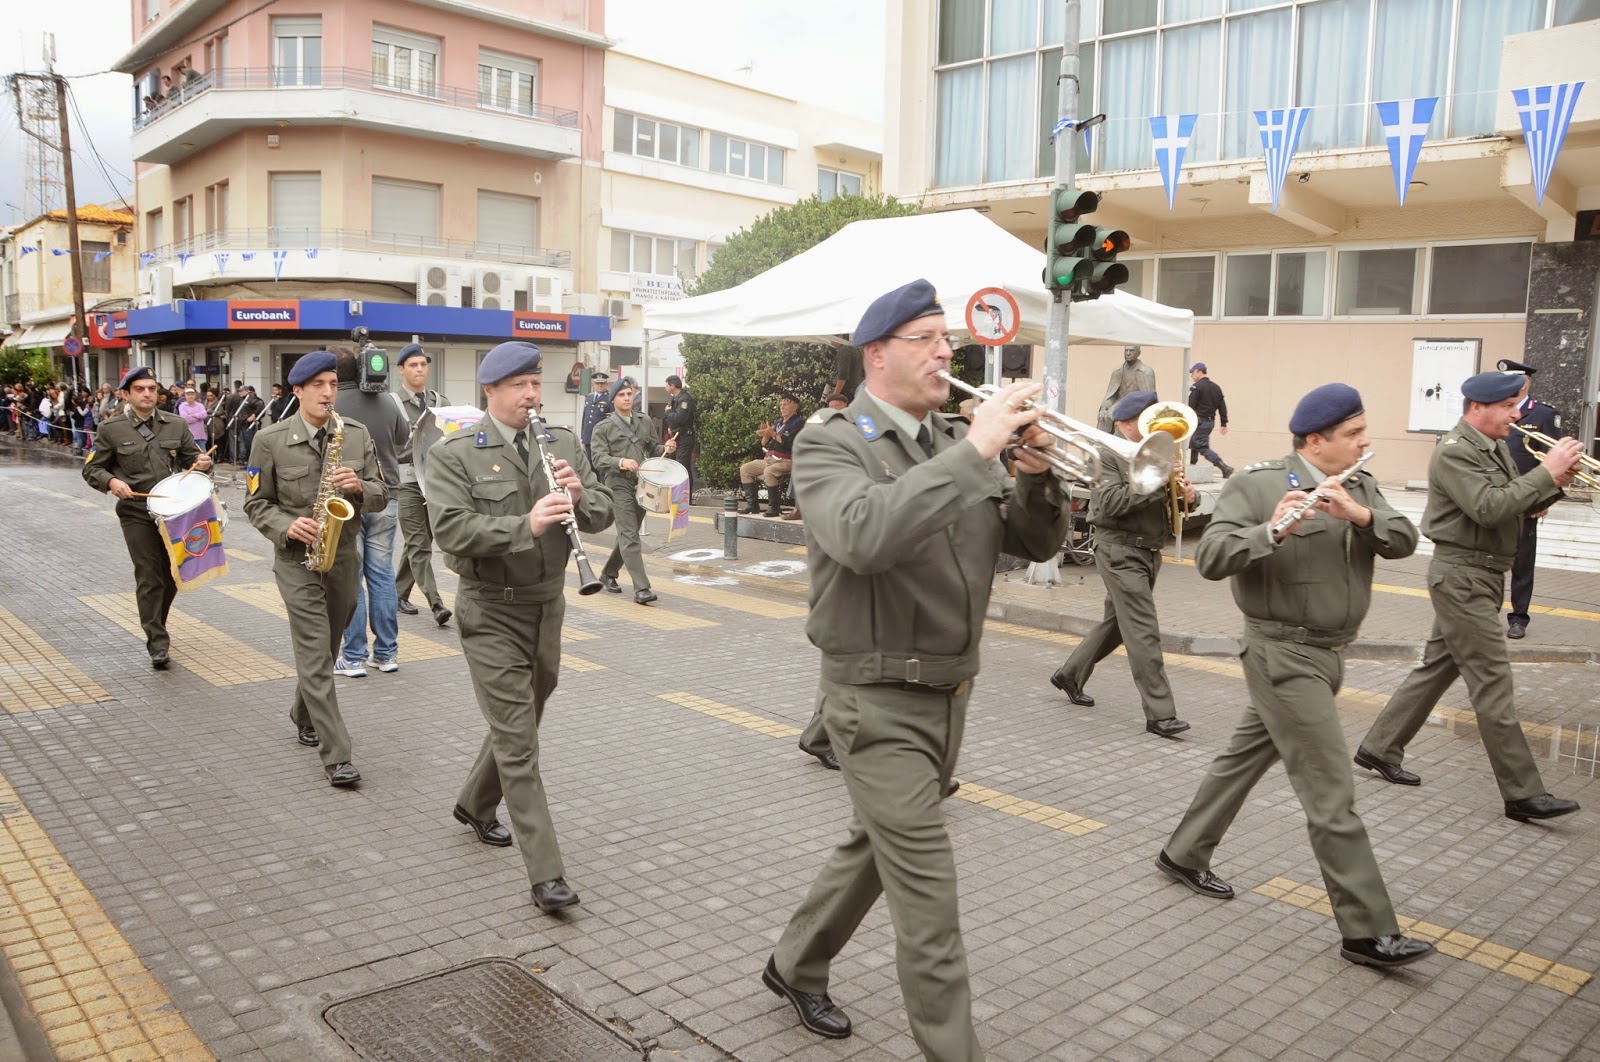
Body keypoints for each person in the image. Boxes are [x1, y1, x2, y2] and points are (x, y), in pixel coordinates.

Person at [763, 279, 1070, 1060]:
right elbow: (863, 535)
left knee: (877, 844)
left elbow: (1030, 545)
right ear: (877, 355)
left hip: (950, 693)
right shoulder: (833, 440)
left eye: (948, 340)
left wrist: (1033, 471)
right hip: (873, 697)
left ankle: (794, 962)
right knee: (930, 904)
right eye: (928, 339)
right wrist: (979, 450)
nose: (947, 352)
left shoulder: (947, 444)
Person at [1158, 382, 1437, 971]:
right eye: (1354, 435)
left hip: (1330, 655)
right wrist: (1273, 531)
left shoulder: (1357, 483)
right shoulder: (1257, 484)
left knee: (1241, 760)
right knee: (1332, 795)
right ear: (1317, 440)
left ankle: (1183, 853)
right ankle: (1366, 930)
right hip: (1282, 657)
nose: (1367, 442)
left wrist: (1358, 514)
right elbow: (1210, 558)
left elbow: (1405, 541)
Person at [427, 341, 613, 913]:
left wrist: (581, 497)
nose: (531, 394)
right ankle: (546, 875)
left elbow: (605, 511)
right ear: (490, 391)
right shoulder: (454, 452)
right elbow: (452, 532)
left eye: (536, 382)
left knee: (525, 715)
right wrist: (524, 524)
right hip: (489, 609)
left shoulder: (560, 442)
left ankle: (475, 804)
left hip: (547, 604)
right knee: (518, 738)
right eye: (518, 385)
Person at [1355, 370, 1583, 822]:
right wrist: (1546, 472)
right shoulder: (1455, 451)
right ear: (1478, 408)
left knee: (1438, 668)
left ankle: (1379, 748)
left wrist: (1555, 483)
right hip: (1463, 578)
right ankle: (1522, 793)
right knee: (1493, 684)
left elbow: (1519, 502)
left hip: (1481, 576)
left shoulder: (1494, 446)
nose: (1517, 415)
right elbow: (1489, 506)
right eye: (1508, 407)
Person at [243, 351, 388, 788]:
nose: (328, 393)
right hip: (295, 562)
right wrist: (288, 525)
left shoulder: (357, 435)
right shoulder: (268, 440)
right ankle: (337, 755)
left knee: (325, 649)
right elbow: (255, 503)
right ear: (298, 391)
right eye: (319, 385)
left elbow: (384, 492)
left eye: (332, 384)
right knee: (314, 652)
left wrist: (360, 486)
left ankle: (301, 712)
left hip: (343, 557)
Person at [1049, 390, 1194, 738]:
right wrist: (1158, 481)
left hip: (1148, 552)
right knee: (1143, 631)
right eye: (1145, 421)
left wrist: (1187, 494)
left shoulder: (1157, 452)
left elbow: (1170, 501)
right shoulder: (1107, 456)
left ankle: (1069, 673)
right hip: (1119, 550)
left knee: (1116, 624)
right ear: (1125, 423)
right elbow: (1111, 503)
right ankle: (1160, 713)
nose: (1153, 428)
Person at [82, 366, 213, 669]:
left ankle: (158, 623)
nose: (147, 394)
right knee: (149, 575)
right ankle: (157, 641)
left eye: (152, 389)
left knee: (172, 576)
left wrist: (202, 463)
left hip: (174, 512)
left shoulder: (176, 425)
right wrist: (112, 482)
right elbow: (92, 469)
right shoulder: (110, 429)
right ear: (126, 394)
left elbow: (190, 459)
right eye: (140, 389)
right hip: (136, 512)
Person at [331, 348, 409, 677]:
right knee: (381, 576)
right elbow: (404, 439)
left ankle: (353, 656)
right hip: (386, 496)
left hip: (344, 499)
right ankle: (387, 654)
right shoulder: (389, 400)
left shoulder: (328, 403)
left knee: (352, 577)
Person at [590, 377, 676, 604]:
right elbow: (598, 458)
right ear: (613, 399)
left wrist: (666, 447)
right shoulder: (604, 427)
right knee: (629, 534)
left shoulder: (644, 421)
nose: (627, 398)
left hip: (642, 483)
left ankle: (608, 573)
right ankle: (642, 588)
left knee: (630, 532)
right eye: (622, 395)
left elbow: (653, 447)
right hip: (617, 483)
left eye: (629, 394)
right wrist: (621, 462)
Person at [1497, 358, 1564, 640]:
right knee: (1490, 560)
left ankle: (1518, 619)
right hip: (1496, 498)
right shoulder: (1496, 410)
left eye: (1511, 381)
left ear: (1525, 383)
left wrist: (1544, 500)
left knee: (1522, 564)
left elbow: (1554, 460)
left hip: (1526, 501)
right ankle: (1486, 613)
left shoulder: (1544, 415)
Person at [392, 343, 452, 627]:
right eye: (413, 365)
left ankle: (397, 593)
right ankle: (436, 602)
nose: (419, 369)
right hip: (406, 483)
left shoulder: (441, 402)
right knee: (418, 543)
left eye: (423, 364)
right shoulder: (390, 404)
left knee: (421, 541)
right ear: (401, 369)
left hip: (435, 481)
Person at [737, 393, 804, 517]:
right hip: (770, 458)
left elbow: (789, 443)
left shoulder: (799, 423)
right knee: (745, 469)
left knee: (769, 471)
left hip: (787, 460)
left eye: (786, 404)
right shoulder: (778, 422)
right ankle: (752, 505)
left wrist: (773, 433)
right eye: (781, 404)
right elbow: (763, 443)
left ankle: (774, 507)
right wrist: (766, 433)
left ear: (795, 407)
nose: (782, 407)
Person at [1186, 363, 1234, 478]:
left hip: (1200, 421)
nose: (1192, 375)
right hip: (1209, 422)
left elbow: (1190, 406)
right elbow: (1222, 406)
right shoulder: (1216, 387)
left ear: (1199, 372)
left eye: (1193, 373)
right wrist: (1224, 423)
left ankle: (1224, 467)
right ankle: (1191, 466)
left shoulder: (1196, 387)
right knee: (1193, 444)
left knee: (1202, 447)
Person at [1097, 345, 1157, 433]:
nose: (1128, 353)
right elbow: (1111, 395)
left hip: (1138, 404)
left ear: (1138, 353)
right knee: (1105, 416)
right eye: (1126, 351)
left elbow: (1150, 398)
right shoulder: (1118, 371)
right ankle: (1102, 444)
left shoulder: (1147, 371)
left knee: (1129, 421)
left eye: (1131, 351)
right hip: (1120, 402)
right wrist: (1104, 408)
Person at [663, 374, 699, 496]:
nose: (665, 388)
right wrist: (671, 427)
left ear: (672, 385)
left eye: (667, 385)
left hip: (685, 437)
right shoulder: (674, 398)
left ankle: (684, 496)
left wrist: (668, 412)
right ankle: (681, 494)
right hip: (676, 436)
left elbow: (680, 418)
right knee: (676, 465)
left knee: (681, 465)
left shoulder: (684, 399)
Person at [579, 370, 612, 458]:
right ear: (593, 384)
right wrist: (583, 438)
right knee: (589, 463)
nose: (599, 385)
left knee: (599, 463)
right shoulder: (589, 397)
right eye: (597, 383)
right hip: (588, 438)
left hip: (601, 438)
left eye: (602, 383)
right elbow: (585, 419)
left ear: (606, 384)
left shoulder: (609, 398)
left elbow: (612, 420)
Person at [824, 336, 864, 405]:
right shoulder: (857, 349)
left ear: (840, 336)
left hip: (847, 394)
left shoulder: (844, 350)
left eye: (833, 339)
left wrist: (834, 396)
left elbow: (842, 377)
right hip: (858, 392)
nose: (831, 343)